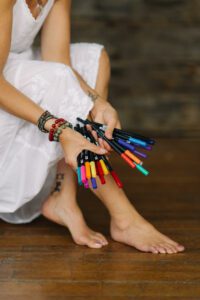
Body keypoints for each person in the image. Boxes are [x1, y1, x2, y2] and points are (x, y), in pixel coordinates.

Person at [0, 0, 185, 254]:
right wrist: (62, 129)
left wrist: (97, 102)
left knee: (94, 59)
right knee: (58, 79)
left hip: (18, 72)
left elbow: (58, 59)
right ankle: (124, 218)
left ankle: (62, 196)